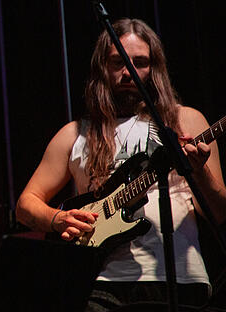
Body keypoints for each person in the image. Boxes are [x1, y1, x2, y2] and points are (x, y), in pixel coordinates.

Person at [16, 18, 226, 311]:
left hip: (181, 279)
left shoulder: (187, 120)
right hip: (100, 285)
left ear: (154, 68)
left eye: (140, 62)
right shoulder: (74, 134)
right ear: (103, 67)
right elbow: (26, 204)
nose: (129, 72)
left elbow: (219, 213)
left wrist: (199, 169)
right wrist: (57, 219)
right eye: (119, 62)